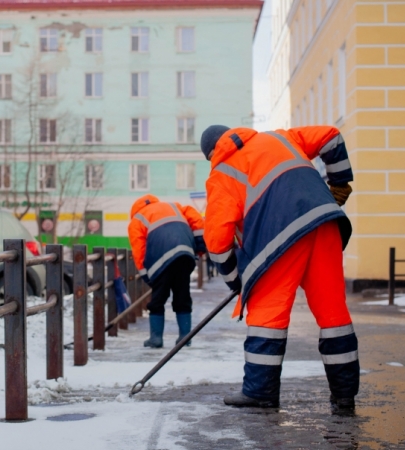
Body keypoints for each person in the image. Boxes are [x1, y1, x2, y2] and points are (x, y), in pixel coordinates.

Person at [200, 124, 358, 410]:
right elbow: (330, 136)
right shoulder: (279, 137)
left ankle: (260, 392)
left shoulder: (222, 173)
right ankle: (345, 395)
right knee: (334, 314)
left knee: (267, 315)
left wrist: (235, 281)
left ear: (212, 154)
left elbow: (217, 240)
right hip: (324, 223)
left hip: (278, 237)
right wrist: (339, 182)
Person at [128, 194, 206, 348]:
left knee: (158, 299)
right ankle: (185, 337)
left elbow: (139, 250)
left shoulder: (137, 220)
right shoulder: (173, 205)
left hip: (160, 258)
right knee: (182, 295)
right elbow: (195, 218)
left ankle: (156, 339)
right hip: (184, 253)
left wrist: (146, 276)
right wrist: (200, 246)